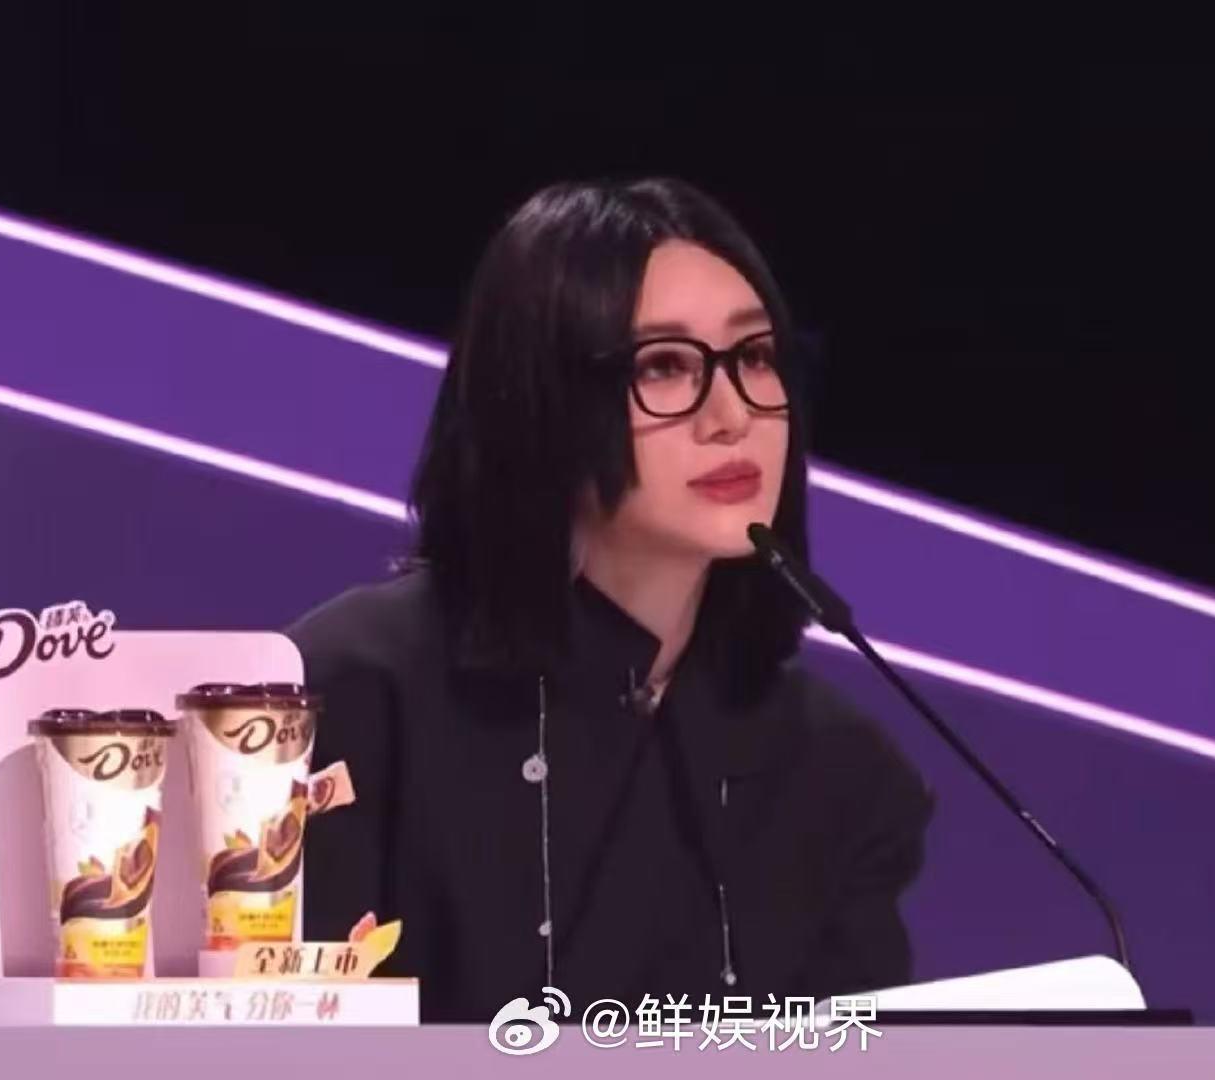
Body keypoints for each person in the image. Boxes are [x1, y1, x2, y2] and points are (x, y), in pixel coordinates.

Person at [287, 178, 933, 1024]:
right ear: (540, 397)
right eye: (664, 366)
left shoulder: (840, 771)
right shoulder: (352, 691)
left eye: (755, 357)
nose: (732, 414)